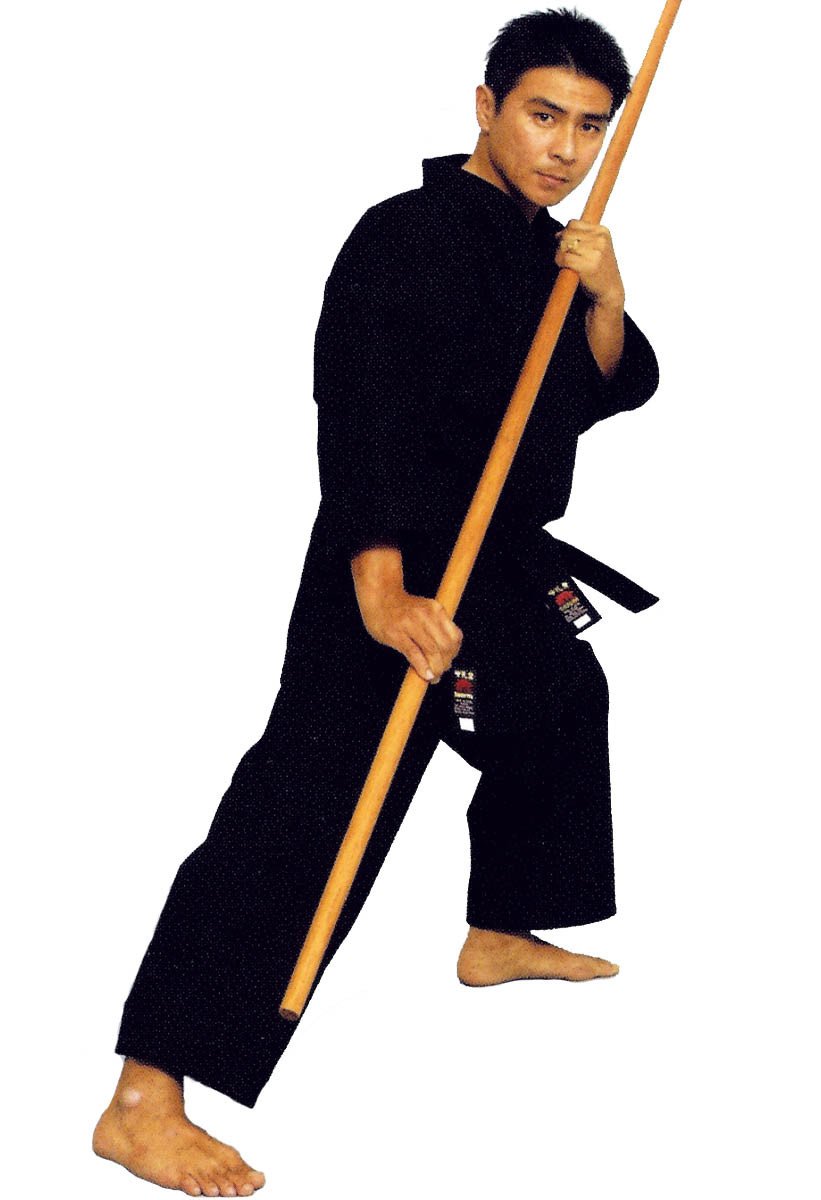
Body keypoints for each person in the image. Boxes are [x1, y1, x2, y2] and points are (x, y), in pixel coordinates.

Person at [93, 9, 661, 1197]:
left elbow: (603, 387)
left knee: (556, 695)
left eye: (587, 127)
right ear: (484, 107)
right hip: (393, 554)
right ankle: (144, 1098)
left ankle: (498, 928)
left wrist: (604, 296)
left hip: (492, 554)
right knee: (308, 806)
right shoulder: (405, 234)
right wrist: (381, 589)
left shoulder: (548, 251)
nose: (563, 148)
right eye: (541, 115)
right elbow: (358, 408)